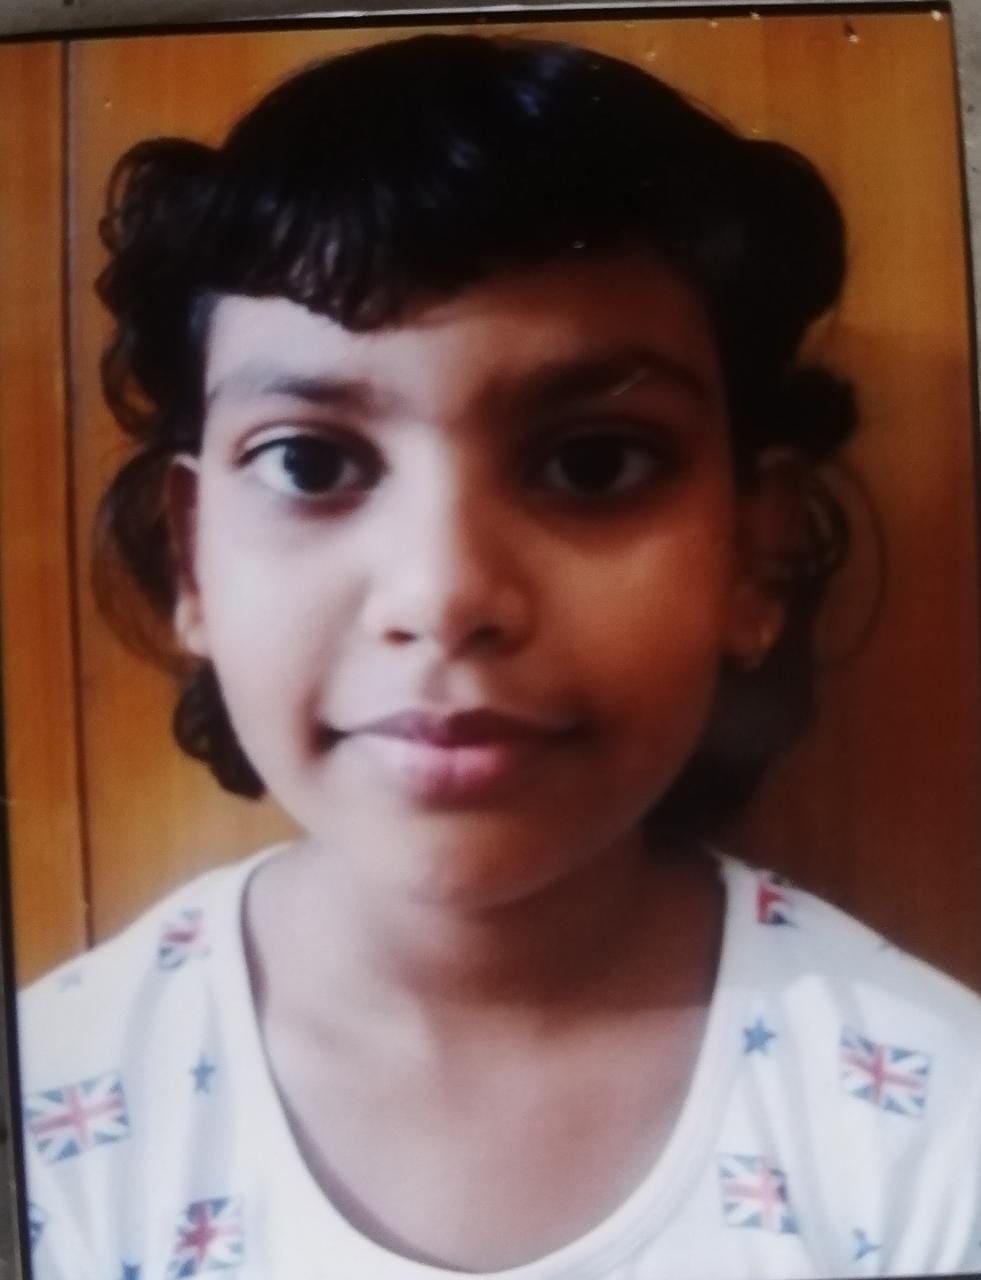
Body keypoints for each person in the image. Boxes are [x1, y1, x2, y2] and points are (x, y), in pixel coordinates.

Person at [16, 32, 981, 1280]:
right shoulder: (52, 1118)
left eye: (593, 462)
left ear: (757, 555)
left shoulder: (934, 1135)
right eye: (311, 460)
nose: (445, 593)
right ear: (192, 558)